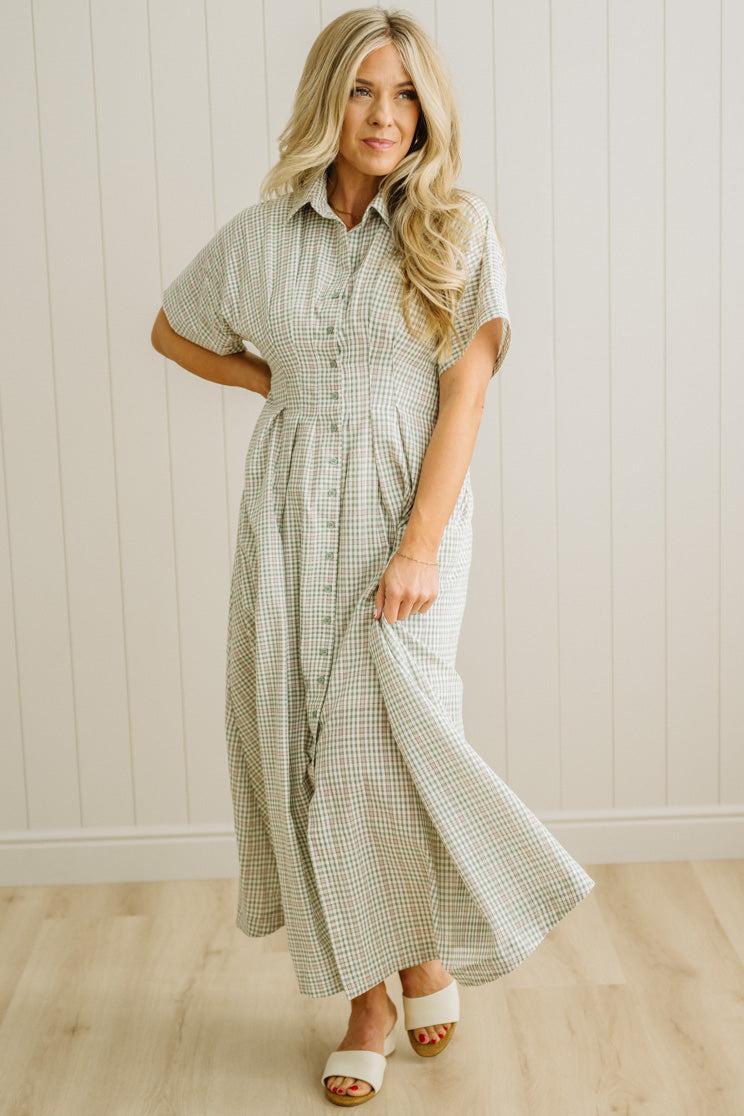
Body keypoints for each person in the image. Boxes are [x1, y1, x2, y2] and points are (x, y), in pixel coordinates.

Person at [152, 7, 596, 1107]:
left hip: (410, 514)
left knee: (387, 743)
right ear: (328, 101)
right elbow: (173, 329)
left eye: (404, 94)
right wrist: (270, 385)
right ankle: (386, 979)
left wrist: (420, 548)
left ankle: (405, 968)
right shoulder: (262, 236)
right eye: (363, 91)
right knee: (309, 750)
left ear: (428, 109)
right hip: (290, 517)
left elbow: (467, 395)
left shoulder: (457, 228)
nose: (385, 116)